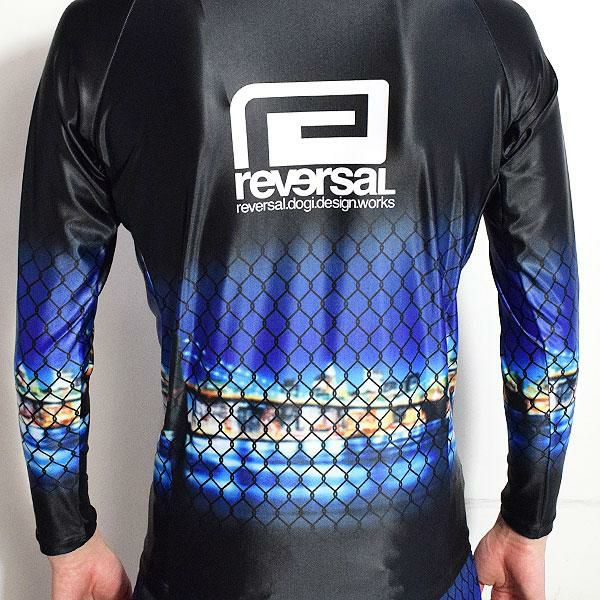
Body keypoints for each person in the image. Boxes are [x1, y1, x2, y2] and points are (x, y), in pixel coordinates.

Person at [14, 0, 578, 598]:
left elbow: (49, 325)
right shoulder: (489, 31)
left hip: (204, 567)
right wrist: (528, 519)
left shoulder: (109, 31)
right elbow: (547, 318)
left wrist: (68, 536)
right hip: (417, 566)